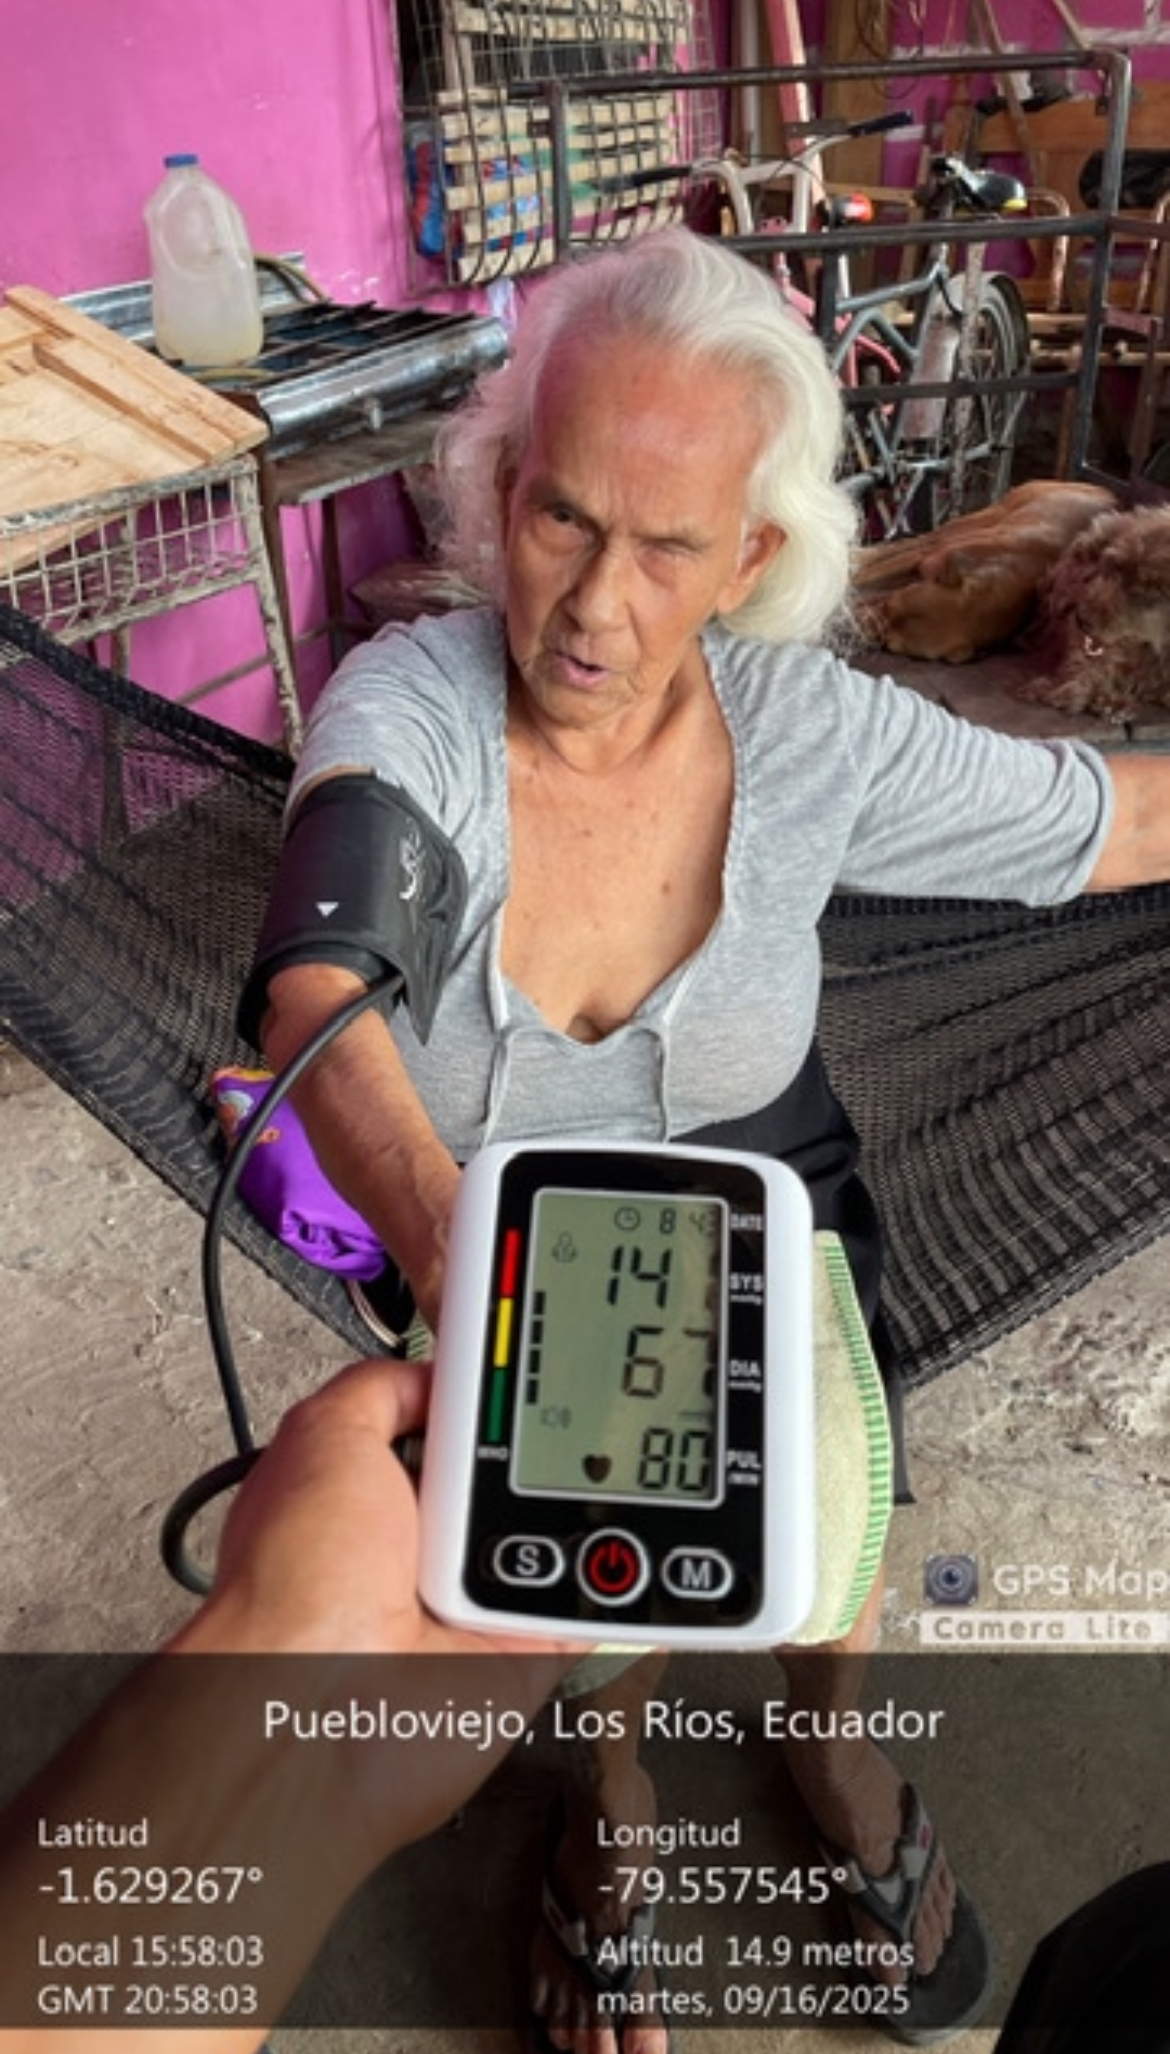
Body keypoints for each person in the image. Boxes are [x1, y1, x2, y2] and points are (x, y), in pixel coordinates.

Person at [239, 224, 1170, 2052]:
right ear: (501, 486)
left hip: (769, 1190)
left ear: (748, 555)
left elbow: (1116, 822)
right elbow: (318, 990)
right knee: (577, 1566)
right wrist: (452, 1252)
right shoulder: (408, 705)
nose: (596, 604)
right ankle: (613, 1793)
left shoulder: (810, 731)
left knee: (821, 1519)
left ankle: (828, 1738)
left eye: (668, 545)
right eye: (563, 516)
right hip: (482, 1219)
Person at [2, 1358, 1165, 2053]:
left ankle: (825, 1739)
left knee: (814, 1434)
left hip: (770, 1127)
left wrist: (295, 1695)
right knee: (570, 1511)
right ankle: (615, 1800)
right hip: (468, 1144)